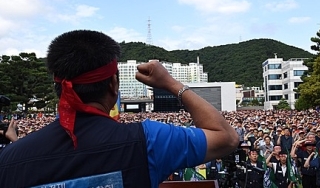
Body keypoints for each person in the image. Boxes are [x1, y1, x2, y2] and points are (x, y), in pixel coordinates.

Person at [0, 30, 239, 187]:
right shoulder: (149, 140)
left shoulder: (8, 159)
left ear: (57, 86)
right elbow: (226, 138)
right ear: (114, 85)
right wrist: (170, 83)